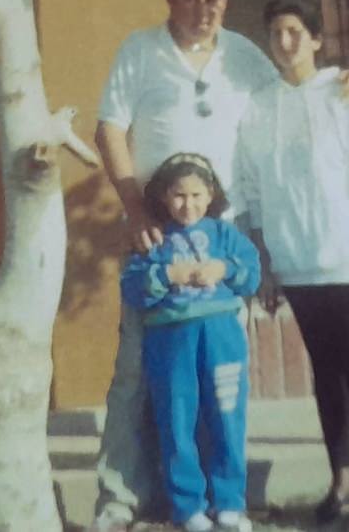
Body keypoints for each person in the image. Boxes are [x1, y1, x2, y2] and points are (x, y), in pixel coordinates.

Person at [91, 0, 349, 532]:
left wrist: (344, 78)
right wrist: (135, 208)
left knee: (217, 374)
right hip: (159, 231)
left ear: (226, 2)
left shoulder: (242, 55)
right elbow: (109, 127)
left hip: (226, 234)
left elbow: (293, 92)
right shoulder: (140, 50)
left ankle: (220, 497)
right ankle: (120, 495)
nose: (204, 9)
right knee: (138, 369)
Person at [235, 0, 349, 532]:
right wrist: (267, 264)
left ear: (315, 40)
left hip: (348, 258)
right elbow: (253, 190)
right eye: (276, 33)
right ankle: (341, 478)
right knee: (325, 371)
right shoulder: (259, 107)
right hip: (297, 263)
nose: (284, 43)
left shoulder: (342, 94)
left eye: (294, 32)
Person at [120, 153, 260, 532]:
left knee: (227, 416)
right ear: (164, 197)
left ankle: (229, 502)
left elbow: (251, 273)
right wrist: (167, 273)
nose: (188, 204)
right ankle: (188, 506)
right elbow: (132, 287)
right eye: (179, 195)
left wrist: (224, 268)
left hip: (221, 338)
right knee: (177, 420)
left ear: (211, 194)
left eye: (197, 195)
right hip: (171, 342)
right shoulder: (154, 238)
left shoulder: (225, 235)